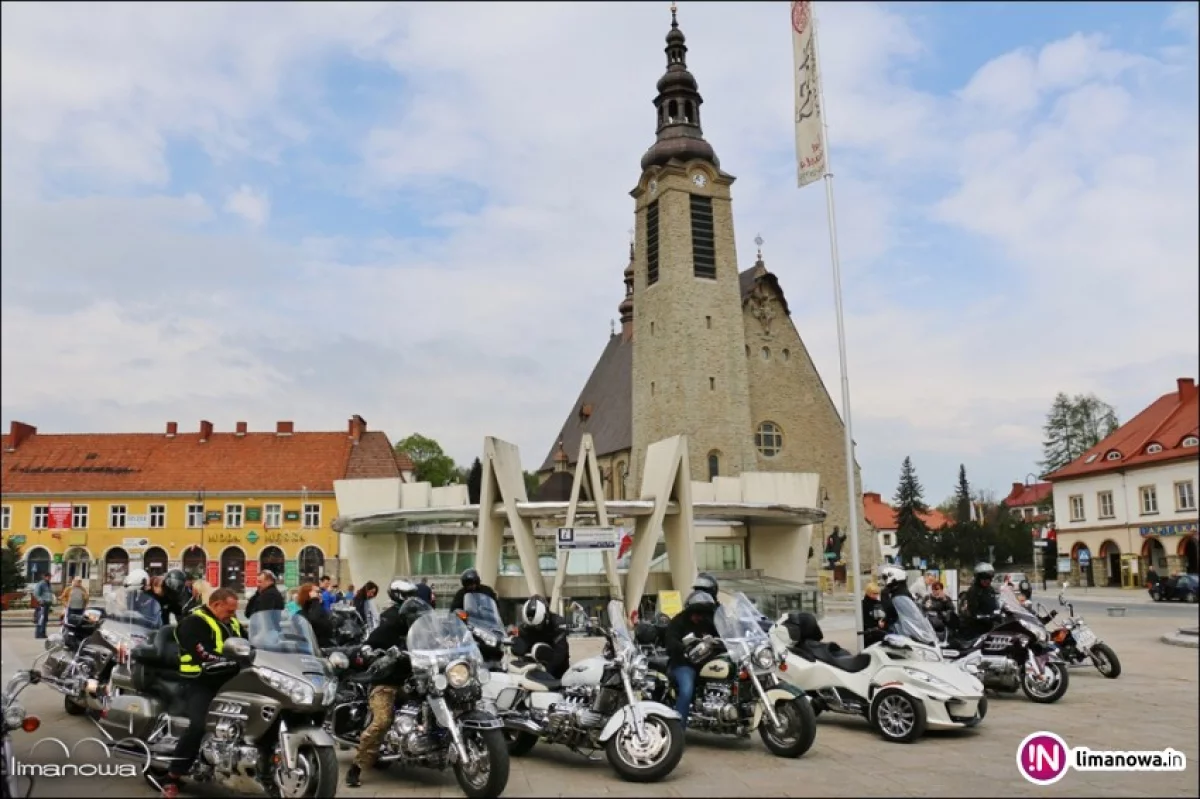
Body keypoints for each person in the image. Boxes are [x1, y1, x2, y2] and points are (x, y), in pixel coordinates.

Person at [161, 588, 244, 799]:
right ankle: (173, 776)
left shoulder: (232, 623)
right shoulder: (193, 623)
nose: (233, 615)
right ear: (216, 605)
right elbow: (203, 653)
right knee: (199, 724)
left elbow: (248, 644)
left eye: (234, 611)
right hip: (198, 681)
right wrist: (231, 661)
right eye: (229, 610)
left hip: (228, 681)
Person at [346, 597, 434, 788]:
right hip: (386, 683)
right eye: (418, 619)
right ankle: (357, 767)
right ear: (407, 618)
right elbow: (367, 646)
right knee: (382, 721)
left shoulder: (424, 633)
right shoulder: (389, 630)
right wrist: (372, 653)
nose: (421, 623)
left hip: (415, 682)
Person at [663, 590, 719, 729]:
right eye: (697, 613)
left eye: (703, 614)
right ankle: (678, 731)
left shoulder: (708, 622)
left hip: (706, 663)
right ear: (689, 612)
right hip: (683, 664)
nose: (699, 617)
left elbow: (722, 634)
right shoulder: (678, 621)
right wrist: (684, 649)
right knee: (687, 690)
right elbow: (670, 641)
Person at [510, 595, 570, 679]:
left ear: (546, 616)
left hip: (557, 669)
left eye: (538, 625)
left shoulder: (558, 624)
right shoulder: (525, 627)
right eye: (532, 626)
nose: (535, 629)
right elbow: (523, 652)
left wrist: (546, 672)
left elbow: (560, 652)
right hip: (532, 668)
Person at [961, 562, 1001, 638]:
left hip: (989, 625)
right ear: (978, 578)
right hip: (976, 628)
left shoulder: (990, 589)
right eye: (984, 578)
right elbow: (972, 611)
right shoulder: (973, 591)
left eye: (989, 578)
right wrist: (985, 617)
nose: (987, 580)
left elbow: (996, 604)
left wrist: (1000, 611)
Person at [878, 565, 913, 635]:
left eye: (885, 577)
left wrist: (884, 596)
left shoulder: (897, 592)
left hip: (900, 630)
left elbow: (891, 612)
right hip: (903, 628)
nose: (884, 580)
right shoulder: (900, 590)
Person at [297, 583, 335, 648]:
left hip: (324, 648)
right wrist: (314, 600)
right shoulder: (301, 614)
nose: (320, 595)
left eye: (320, 592)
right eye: (317, 592)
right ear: (309, 595)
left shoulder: (320, 609)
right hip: (311, 649)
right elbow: (315, 620)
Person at [32, 573, 55, 639]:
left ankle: (43, 633)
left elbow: (49, 594)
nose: (49, 578)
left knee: (45, 619)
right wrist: (40, 600)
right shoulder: (41, 584)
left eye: (50, 577)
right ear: (44, 577)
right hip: (42, 604)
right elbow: (36, 593)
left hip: (47, 604)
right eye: (48, 577)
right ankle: (38, 634)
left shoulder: (49, 584)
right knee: (41, 619)